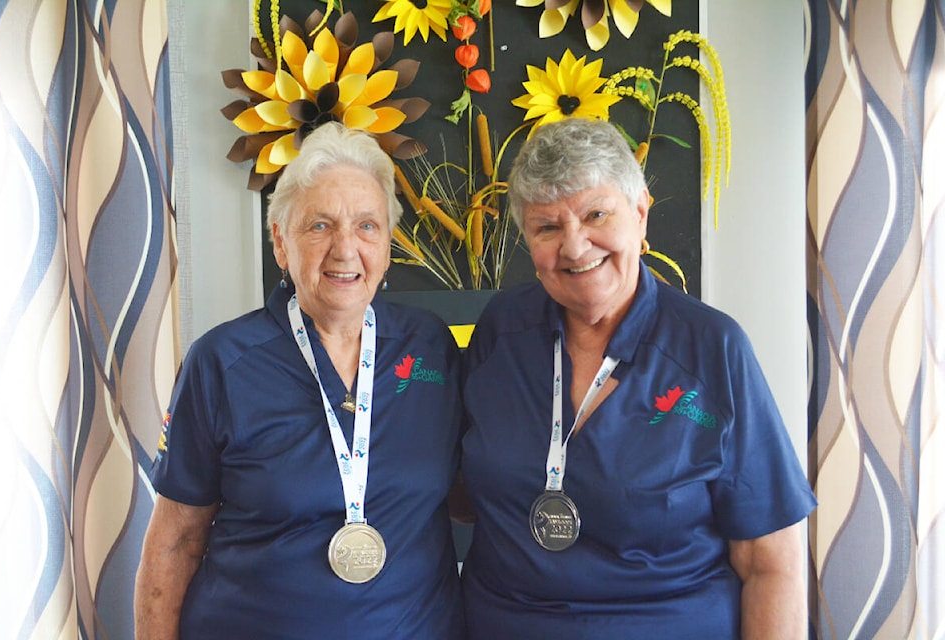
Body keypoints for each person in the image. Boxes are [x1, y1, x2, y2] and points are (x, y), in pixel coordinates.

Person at [459, 117, 817, 639]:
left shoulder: (712, 348)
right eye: (548, 228)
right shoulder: (500, 329)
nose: (576, 247)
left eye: (595, 214)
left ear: (641, 213)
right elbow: (461, 491)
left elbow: (771, 563)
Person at [134, 122, 464, 639]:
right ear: (281, 243)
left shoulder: (431, 347)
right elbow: (175, 540)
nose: (344, 248)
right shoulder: (221, 363)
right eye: (320, 226)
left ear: (388, 246)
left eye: (367, 226)